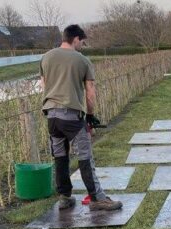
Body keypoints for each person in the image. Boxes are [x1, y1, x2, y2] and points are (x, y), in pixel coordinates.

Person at [40, 24, 122, 211]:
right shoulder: (82, 60)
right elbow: (90, 92)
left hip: (51, 116)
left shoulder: (46, 57)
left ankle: (65, 197)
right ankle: (97, 198)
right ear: (76, 39)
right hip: (71, 116)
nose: (82, 45)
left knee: (60, 157)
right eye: (82, 42)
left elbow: (44, 85)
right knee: (85, 156)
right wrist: (90, 116)